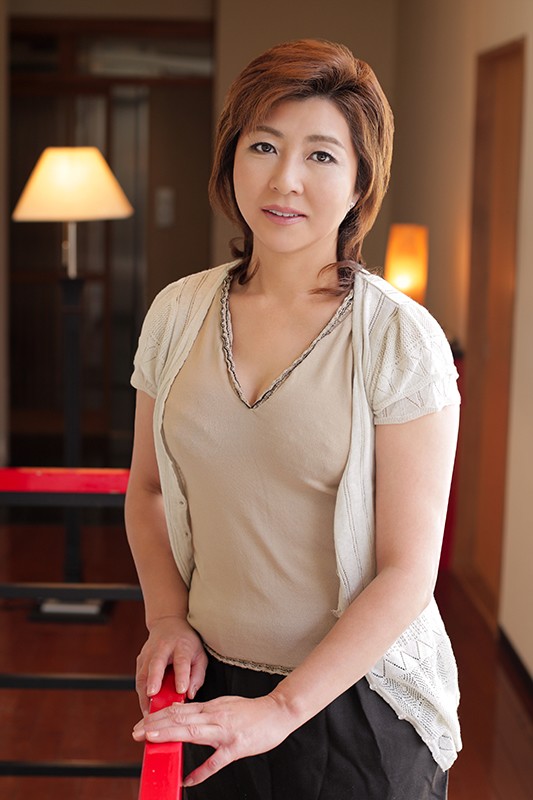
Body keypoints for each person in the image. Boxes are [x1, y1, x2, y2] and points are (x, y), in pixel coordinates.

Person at [126, 38, 461, 799]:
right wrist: (166, 618)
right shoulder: (176, 313)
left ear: (359, 181)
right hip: (211, 685)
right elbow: (147, 490)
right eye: (264, 145)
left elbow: (407, 571)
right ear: (231, 159)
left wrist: (281, 710)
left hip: (356, 702)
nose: (285, 179)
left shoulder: (399, 339)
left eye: (320, 155)